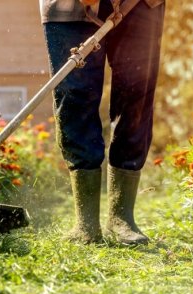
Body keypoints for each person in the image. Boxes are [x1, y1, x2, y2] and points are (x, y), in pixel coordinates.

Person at [39, 0, 165, 244]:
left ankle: (122, 218)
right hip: (68, 8)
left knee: (135, 95)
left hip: (141, 5)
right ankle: (85, 223)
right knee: (74, 96)